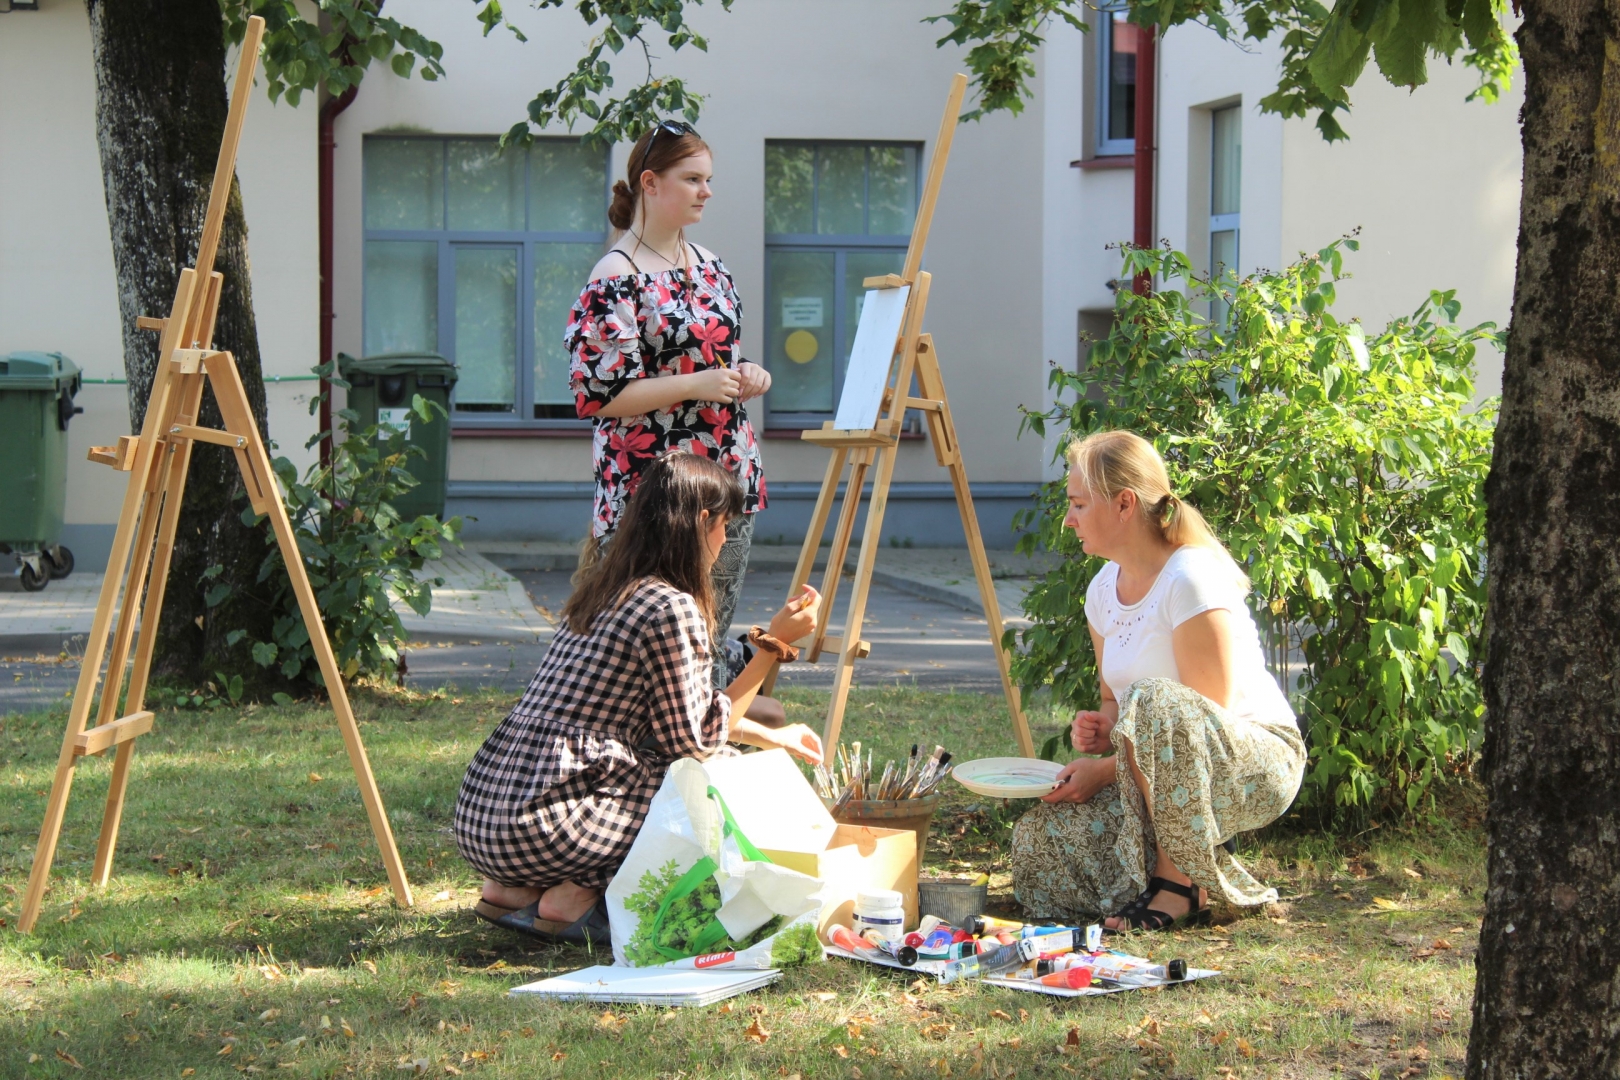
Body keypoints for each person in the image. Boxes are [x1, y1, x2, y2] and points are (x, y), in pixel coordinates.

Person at [454, 452, 824, 944]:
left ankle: (510, 889)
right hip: (546, 822)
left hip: (486, 814)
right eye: (726, 526)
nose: (725, 541)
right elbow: (696, 742)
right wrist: (772, 646)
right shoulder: (672, 607)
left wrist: (775, 736)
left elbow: (680, 714)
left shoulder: (604, 590)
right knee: (708, 784)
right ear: (703, 521)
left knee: (672, 762)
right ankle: (575, 895)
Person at [1010, 431, 1306, 931]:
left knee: (1154, 698)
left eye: (1079, 504)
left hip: (1254, 762)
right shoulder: (1102, 590)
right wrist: (1103, 727)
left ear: (1124, 504)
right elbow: (1115, 701)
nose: (1068, 519)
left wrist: (1105, 770)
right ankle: (1162, 874)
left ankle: (1180, 886)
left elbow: (1197, 723)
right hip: (1164, 765)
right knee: (1038, 842)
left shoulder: (1190, 578)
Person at [566, 119, 774, 707]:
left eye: (708, 179)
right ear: (650, 183)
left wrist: (746, 373)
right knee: (642, 646)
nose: (706, 191)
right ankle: (648, 756)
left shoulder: (711, 265)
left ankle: (700, 753)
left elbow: (715, 362)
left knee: (708, 638)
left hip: (725, 476)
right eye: (692, 179)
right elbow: (598, 395)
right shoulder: (615, 276)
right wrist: (696, 385)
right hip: (650, 491)